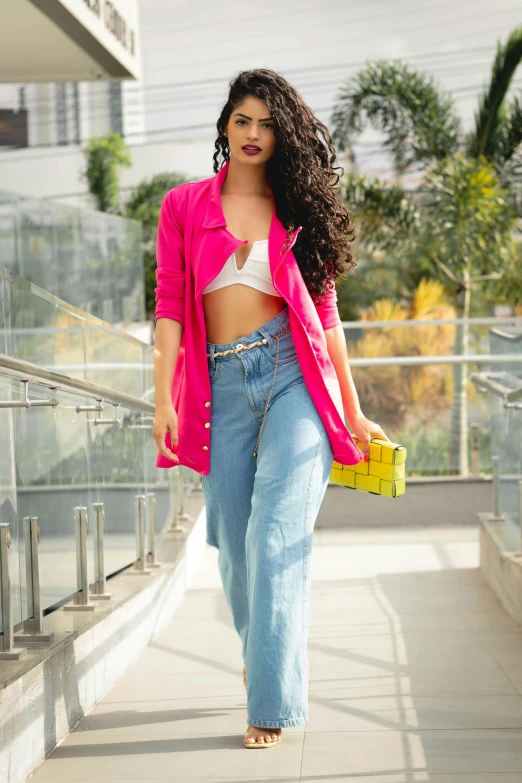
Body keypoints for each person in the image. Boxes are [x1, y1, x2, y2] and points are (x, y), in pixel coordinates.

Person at [152, 68, 390, 749]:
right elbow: (170, 306)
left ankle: (270, 703)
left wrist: (354, 406)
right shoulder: (182, 206)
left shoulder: (298, 211)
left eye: (266, 123)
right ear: (225, 128)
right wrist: (161, 395)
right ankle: (268, 665)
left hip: (293, 376)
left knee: (274, 535)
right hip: (218, 389)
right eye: (242, 121)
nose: (254, 134)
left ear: (282, 135)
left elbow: (327, 317)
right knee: (232, 543)